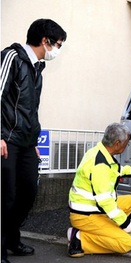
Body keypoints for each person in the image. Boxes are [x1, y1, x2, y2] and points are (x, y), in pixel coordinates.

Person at [1, 18, 67, 263]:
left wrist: (34, 141)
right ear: (44, 41)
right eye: (58, 44)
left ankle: (10, 238)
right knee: (5, 196)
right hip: (6, 140)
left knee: (28, 191)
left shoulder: (37, 68)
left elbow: (30, 110)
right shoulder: (11, 58)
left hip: (26, 143)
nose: (57, 50)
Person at [67, 123, 131, 257]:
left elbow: (114, 169)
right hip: (86, 216)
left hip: (91, 208)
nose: (127, 145)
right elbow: (106, 203)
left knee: (130, 200)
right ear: (117, 143)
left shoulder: (99, 152)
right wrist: (127, 225)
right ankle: (79, 239)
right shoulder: (100, 165)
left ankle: (105, 231)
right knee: (126, 243)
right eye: (127, 143)